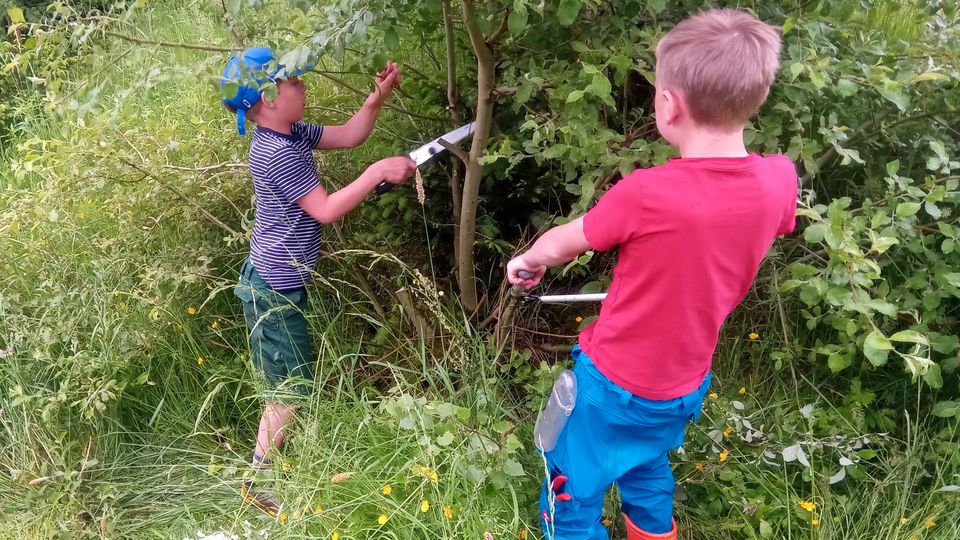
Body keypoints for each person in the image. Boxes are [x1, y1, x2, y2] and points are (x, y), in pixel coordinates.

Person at [506, 9, 796, 540]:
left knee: (566, 482)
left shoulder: (646, 192)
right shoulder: (779, 180)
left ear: (669, 104)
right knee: (646, 462)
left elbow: (564, 242)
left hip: (611, 384)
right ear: (755, 98)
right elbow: (756, 225)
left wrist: (526, 262)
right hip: (685, 383)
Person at [219, 46, 416, 516]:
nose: (304, 87)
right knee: (291, 388)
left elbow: (349, 135)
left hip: (272, 279)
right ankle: (258, 480)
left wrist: (376, 99)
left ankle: (262, 474)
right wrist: (376, 173)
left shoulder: (288, 133)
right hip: (273, 285)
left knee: (286, 385)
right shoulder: (278, 152)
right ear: (268, 97)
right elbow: (324, 210)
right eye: (294, 82)